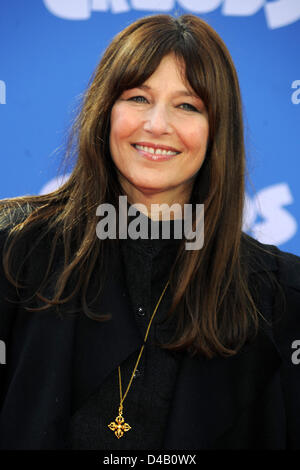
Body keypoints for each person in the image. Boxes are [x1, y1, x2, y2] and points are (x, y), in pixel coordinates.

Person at [0, 13, 300, 451]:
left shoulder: (280, 296)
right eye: (138, 97)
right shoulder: (13, 250)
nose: (157, 124)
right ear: (105, 109)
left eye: (188, 105)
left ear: (218, 131)